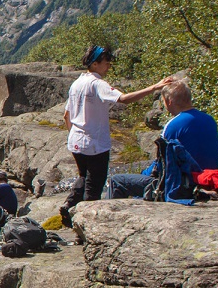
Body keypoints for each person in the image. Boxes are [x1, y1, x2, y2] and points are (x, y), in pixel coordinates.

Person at [61, 46, 171, 225]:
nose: (109, 66)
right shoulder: (97, 84)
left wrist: (73, 134)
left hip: (76, 141)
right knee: (94, 187)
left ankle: (70, 204)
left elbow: (66, 115)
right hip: (95, 143)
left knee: (83, 176)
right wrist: (154, 87)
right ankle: (86, 225)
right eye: (106, 63)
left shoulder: (77, 83)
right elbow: (124, 99)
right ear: (95, 64)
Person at [108, 79, 218, 199]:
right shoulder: (210, 120)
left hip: (181, 184)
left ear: (169, 101)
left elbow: (162, 161)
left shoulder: (174, 125)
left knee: (117, 181)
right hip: (207, 180)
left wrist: (144, 174)